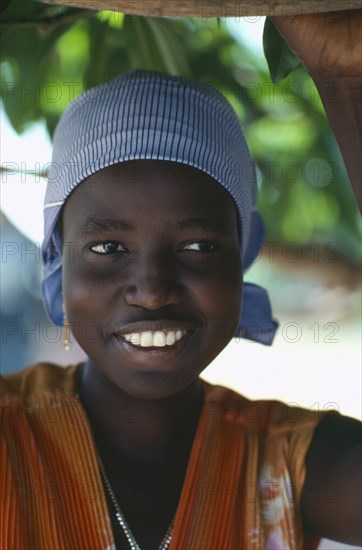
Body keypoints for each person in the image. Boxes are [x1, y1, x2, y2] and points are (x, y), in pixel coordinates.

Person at [1, 12, 361, 550]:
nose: (151, 289)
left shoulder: (292, 463)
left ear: (242, 259)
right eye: (107, 248)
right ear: (59, 262)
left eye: (198, 247)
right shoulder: (12, 442)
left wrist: (346, 79)